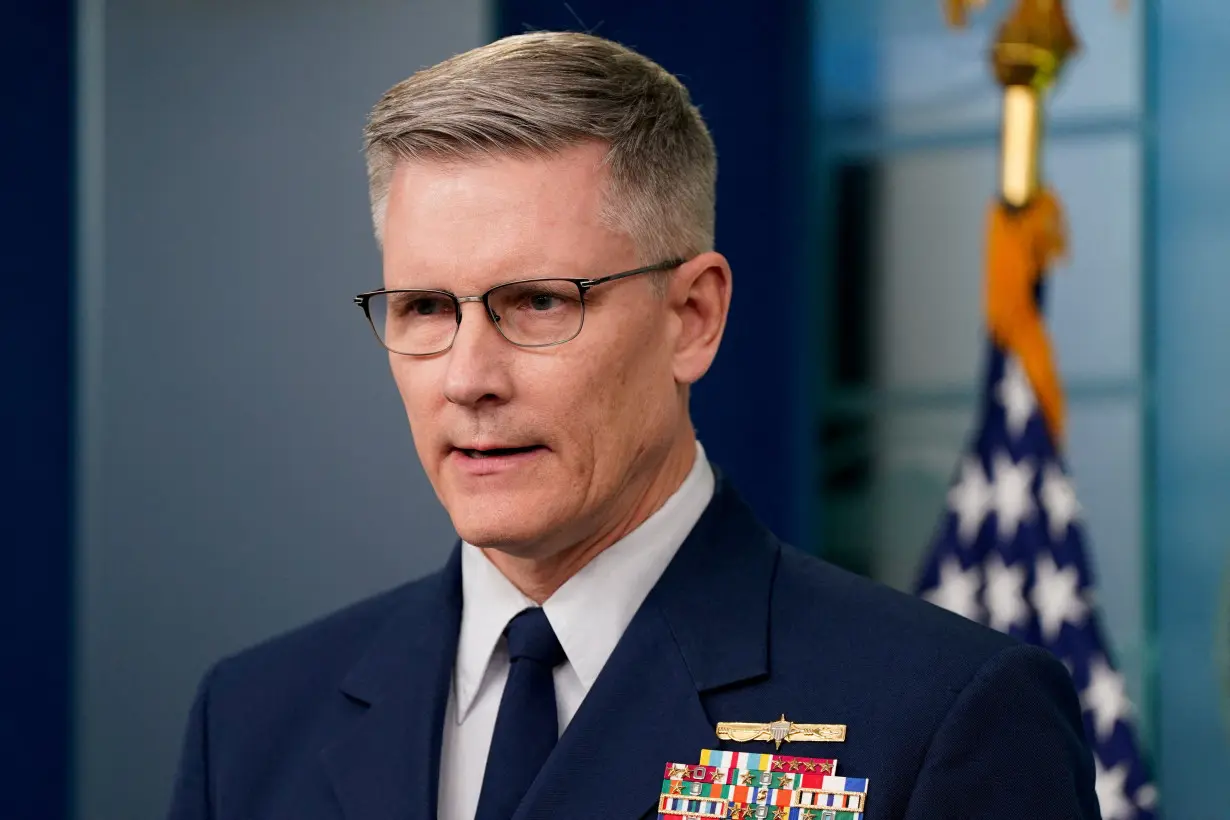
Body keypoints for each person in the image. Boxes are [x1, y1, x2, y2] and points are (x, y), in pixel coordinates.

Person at [166, 31, 1100, 820]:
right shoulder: (251, 722)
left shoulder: (945, 716)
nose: (467, 379)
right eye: (422, 308)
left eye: (536, 302)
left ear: (692, 316)